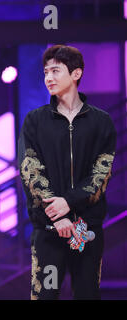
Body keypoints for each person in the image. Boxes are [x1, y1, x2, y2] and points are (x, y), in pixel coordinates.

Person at [18, 44, 116, 300]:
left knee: (87, 295)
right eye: (45, 72)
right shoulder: (35, 121)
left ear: (76, 74)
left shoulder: (101, 121)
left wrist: (68, 203)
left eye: (55, 71)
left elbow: (101, 175)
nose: (48, 78)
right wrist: (56, 215)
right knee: (45, 296)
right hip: (49, 231)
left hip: (86, 228)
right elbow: (30, 171)